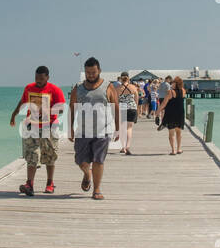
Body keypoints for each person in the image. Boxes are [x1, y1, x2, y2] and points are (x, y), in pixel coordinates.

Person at [10, 65, 65, 195]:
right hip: (32, 127)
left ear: (47, 77)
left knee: (49, 156)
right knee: (32, 155)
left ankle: (50, 183)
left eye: (41, 78)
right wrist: (14, 114)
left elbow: (61, 109)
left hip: (49, 127)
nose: (38, 81)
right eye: (36, 78)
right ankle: (29, 184)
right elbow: (22, 101)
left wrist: (46, 110)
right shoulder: (29, 88)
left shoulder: (55, 90)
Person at [68, 57, 118, 199]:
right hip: (82, 131)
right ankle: (86, 173)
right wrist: (70, 128)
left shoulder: (108, 87)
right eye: (88, 72)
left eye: (93, 72)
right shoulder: (78, 88)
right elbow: (72, 109)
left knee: (98, 160)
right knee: (81, 161)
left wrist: (118, 128)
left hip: (103, 131)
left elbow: (116, 107)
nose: (91, 75)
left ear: (99, 71)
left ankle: (96, 189)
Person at [114, 71, 140, 155]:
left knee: (122, 129)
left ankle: (123, 148)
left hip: (122, 108)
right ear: (128, 78)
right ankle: (128, 146)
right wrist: (136, 108)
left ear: (121, 78)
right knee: (129, 128)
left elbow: (116, 101)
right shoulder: (133, 87)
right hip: (132, 108)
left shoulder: (118, 89)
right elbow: (136, 99)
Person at [160, 76, 186, 154]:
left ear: (176, 83)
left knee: (171, 133)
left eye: (173, 82)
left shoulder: (170, 92)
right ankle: (178, 149)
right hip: (180, 113)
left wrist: (158, 111)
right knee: (179, 132)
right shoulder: (183, 91)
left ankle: (173, 150)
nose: (171, 83)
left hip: (171, 113)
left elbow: (164, 103)